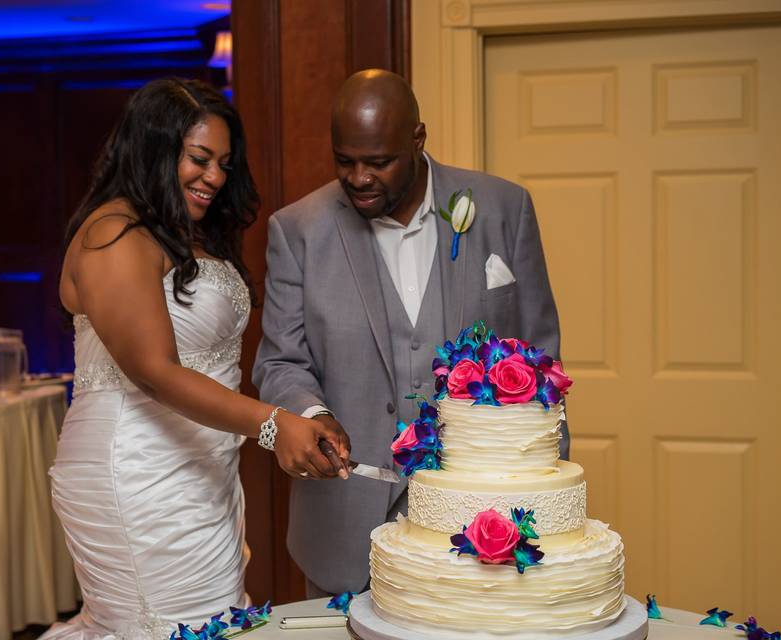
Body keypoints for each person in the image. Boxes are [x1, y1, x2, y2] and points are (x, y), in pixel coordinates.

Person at [41, 78, 350, 639]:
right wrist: (274, 423)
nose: (214, 177)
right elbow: (154, 372)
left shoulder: (182, 233)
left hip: (200, 468)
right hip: (136, 469)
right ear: (154, 149)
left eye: (223, 164)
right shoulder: (113, 234)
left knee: (211, 619)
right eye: (200, 159)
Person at [252, 69, 565, 596]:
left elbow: (541, 362)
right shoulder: (297, 229)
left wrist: (546, 503)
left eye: (378, 162)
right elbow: (280, 361)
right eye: (344, 161)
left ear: (418, 140)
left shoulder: (503, 209)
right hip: (345, 522)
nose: (358, 178)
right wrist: (312, 414)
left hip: (480, 515)